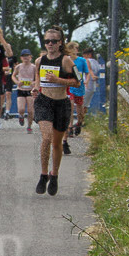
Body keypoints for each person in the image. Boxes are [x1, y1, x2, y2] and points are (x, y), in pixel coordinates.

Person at [32, 27, 80, 196]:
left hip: (61, 104)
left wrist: (59, 80)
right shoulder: (39, 61)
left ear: (60, 43)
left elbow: (77, 82)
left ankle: (55, 175)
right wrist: (36, 88)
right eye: (47, 41)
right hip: (44, 102)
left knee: (56, 143)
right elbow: (38, 79)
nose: (50, 44)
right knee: (46, 137)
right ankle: (43, 174)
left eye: (54, 41)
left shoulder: (66, 60)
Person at [11, 49, 36, 133]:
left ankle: (29, 126)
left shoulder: (34, 67)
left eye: (27, 56)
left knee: (30, 110)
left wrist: (34, 82)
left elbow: (38, 78)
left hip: (30, 90)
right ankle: (21, 116)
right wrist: (17, 82)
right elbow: (13, 76)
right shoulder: (18, 66)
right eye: (24, 56)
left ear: (30, 57)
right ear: (21, 58)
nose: (26, 58)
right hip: (21, 90)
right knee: (21, 109)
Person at [82, 48, 101, 115]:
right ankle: (82, 119)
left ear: (89, 55)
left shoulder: (87, 60)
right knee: (86, 104)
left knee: (81, 103)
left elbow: (89, 70)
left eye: (84, 55)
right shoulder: (96, 62)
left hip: (86, 84)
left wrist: (92, 76)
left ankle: (80, 120)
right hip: (93, 86)